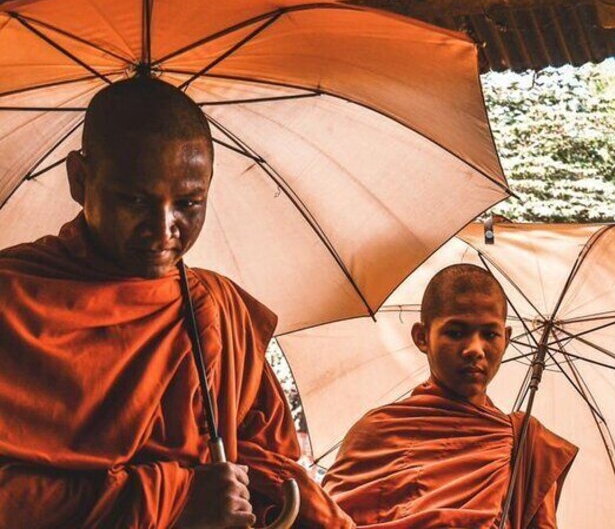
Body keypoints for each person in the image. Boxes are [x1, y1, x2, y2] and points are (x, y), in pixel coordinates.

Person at [0, 76, 353, 528]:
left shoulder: (217, 309)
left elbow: (267, 462)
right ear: (79, 179)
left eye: (188, 203)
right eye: (134, 201)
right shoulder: (14, 300)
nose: (165, 227)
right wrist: (176, 499)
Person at [323, 263, 578, 528]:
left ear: (507, 338)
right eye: (456, 333)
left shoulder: (525, 444)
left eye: (490, 334)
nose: (475, 349)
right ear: (422, 337)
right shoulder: (378, 432)